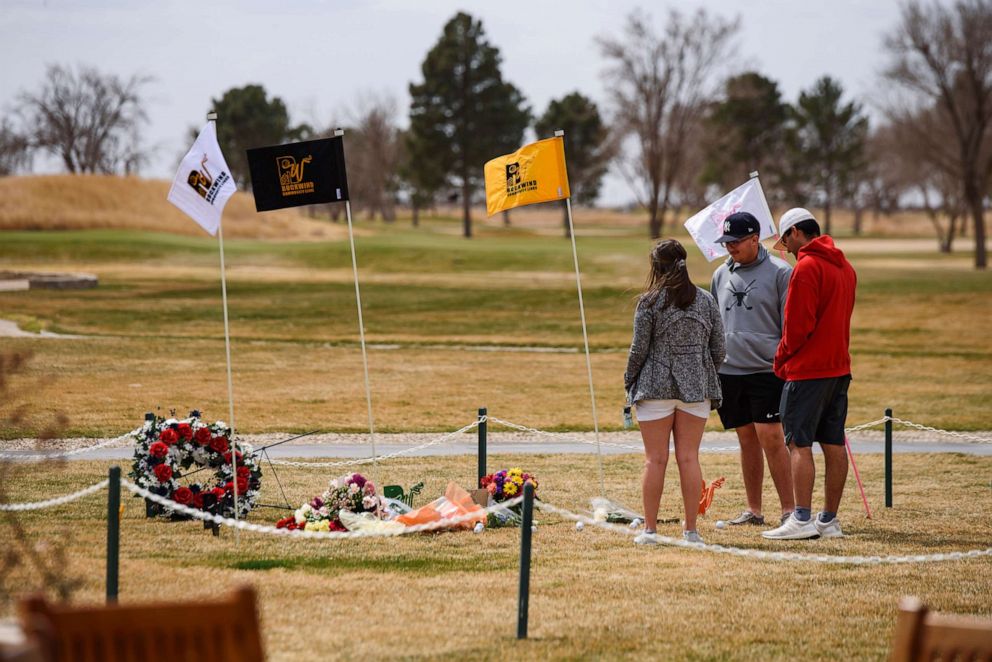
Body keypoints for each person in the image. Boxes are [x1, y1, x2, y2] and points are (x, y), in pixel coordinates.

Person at [762, 208, 857, 541]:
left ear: (796, 233)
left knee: (799, 444)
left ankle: (801, 518)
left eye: (785, 241)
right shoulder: (846, 267)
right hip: (839, 368)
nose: (785, 249)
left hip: (807, 371)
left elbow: (797, 327)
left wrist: (781, 357)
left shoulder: (805, 267)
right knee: (834, 443)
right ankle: (828, 520)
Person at [624, 239, 726, 545]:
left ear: (656, 267)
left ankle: (650, 531)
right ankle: (691, 531)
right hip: (696, 389)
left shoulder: (649, 303)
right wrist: (699, 368)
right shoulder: (706, 300)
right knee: (689, 458)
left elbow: (638, 350)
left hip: (654, 387)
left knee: (655, 460)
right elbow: (719, 349)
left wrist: (629, 381)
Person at [710, 212, 795, 528]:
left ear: (755, 239)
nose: (729, 247)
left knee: (771, 438)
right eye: (726, 242)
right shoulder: (720, 274)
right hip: (730, 372)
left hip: (766, 371)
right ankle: (754, 510)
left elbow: (790, 325)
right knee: (746, 439)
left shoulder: (780, 272)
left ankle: (790, 511)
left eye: (735, 242)